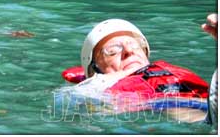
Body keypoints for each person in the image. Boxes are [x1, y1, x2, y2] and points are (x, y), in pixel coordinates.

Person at [62, 18, 209, 120]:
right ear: (95, 70)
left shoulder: (171, 70)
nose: (128, 50)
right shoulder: (94, 87)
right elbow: (71, 101)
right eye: (113, 50)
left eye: (134, 45)